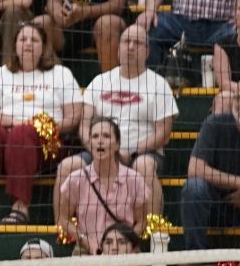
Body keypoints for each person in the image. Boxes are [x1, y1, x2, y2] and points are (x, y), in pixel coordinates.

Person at [0, 21, 85, 226]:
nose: (28, 43)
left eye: (34, 39)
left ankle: (20, 208)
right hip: (5, 139)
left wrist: (43, 126)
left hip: (45, 145)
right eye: (23, 39)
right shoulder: (0, 74)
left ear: (44, 47)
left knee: (21, 134)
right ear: (15, 45)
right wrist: (16, 122)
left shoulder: (61, 74)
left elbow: (74, 117)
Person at [66, 23, 179, 216]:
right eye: (126, 41)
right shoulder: (99, 82)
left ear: (147, 51)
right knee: (68, 166)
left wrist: (130, 150)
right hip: (99, 150)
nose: (131, 46)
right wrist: (98, 149)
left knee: (143, 166)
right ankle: (72, 236)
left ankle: (153, 234)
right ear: (118, 49)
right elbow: (84, 124)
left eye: (138, 43)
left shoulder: (159, 85)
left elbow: (163, 134)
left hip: (142, 153)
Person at [181, 84, 240, 250]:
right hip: (217, 205)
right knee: (194, 187)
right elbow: (194, 168)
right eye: (239, 98)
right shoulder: (214, 124)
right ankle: (196, 259)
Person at [54, 117, 149, 253]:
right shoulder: (75, 180)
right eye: (95, 136)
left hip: (126, 252)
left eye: (106, 136)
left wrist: (125, 243)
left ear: (117, 144)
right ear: (90, 143)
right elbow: (63, 219)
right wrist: (85, 241)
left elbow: (142, 222)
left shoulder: (134, 179)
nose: (100, 141)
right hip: (87, 251)